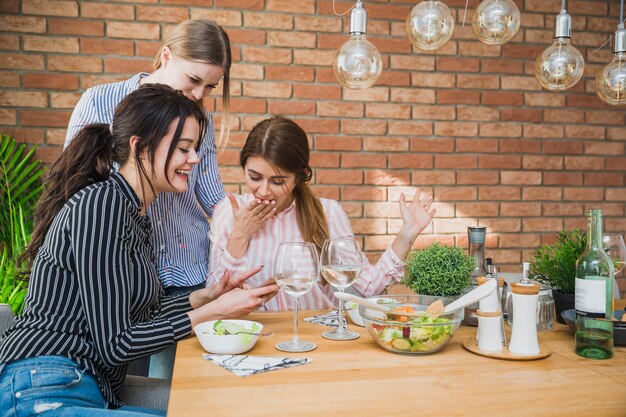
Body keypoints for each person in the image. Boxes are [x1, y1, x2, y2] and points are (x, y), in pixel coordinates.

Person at [0, 85, 278, 417]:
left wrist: (208, 296)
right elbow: (118, 344)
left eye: (195, 148)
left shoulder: (135, 215)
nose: (195, 159)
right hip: (41, 384)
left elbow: (140, 315)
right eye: (184, 148)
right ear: (140, 147)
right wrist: (212, 314)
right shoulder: (102, 205)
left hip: (81, 388)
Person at [64, 19, 231, 296]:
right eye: (194, 80)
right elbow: (76, 191)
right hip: (125, 270)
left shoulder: (203, 118)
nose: (200, 94)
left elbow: (212, 196)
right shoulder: (100, 101)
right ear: (167, 57)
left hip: (189, 269)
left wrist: (250, 216)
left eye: (211, 86)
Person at [207, 116, 436, 311]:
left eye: (278, 181)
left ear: (300, 175)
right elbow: (215, 299)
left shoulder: (328, 212)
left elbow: (368, 288)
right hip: (253, 337)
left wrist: (407, 234)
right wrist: (240, 235)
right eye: (254, 177)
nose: (264, 190)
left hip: (316, 338)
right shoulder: (229, 210)